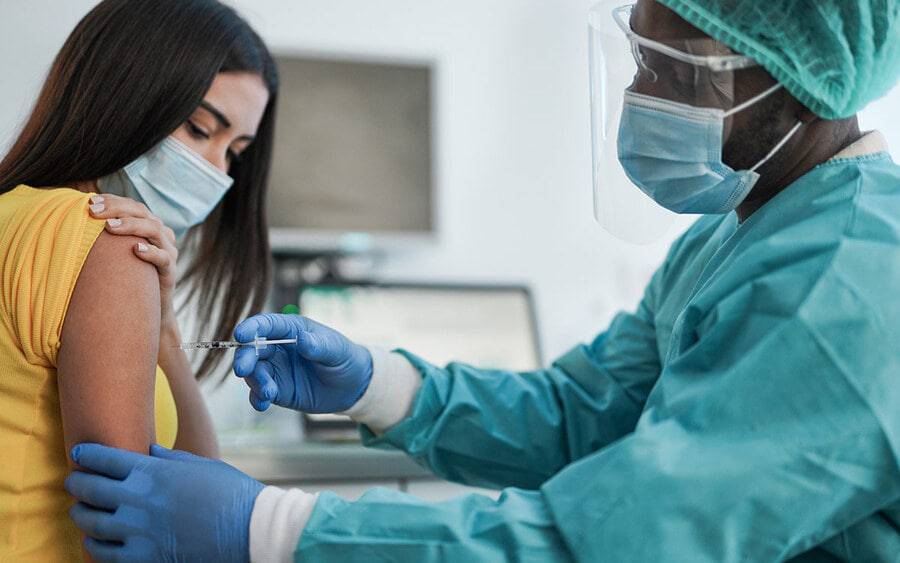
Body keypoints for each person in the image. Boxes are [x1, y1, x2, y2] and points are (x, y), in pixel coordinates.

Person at [65, 0, 900, 561]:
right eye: (643, 64)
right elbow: (584, 416)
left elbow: (626, 538)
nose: (642, 98)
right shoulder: (730, 236)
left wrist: (273, 525)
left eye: (679, 76)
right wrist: (379, 384)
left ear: (800, 81)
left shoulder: (848, 282)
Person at [0, 0, 277, 559]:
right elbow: (151, 519)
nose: (217, 171)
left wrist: (163, 322)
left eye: (235, 153)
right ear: (125, 93)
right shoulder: (106, 236)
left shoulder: (13, 213)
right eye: (200, 129)